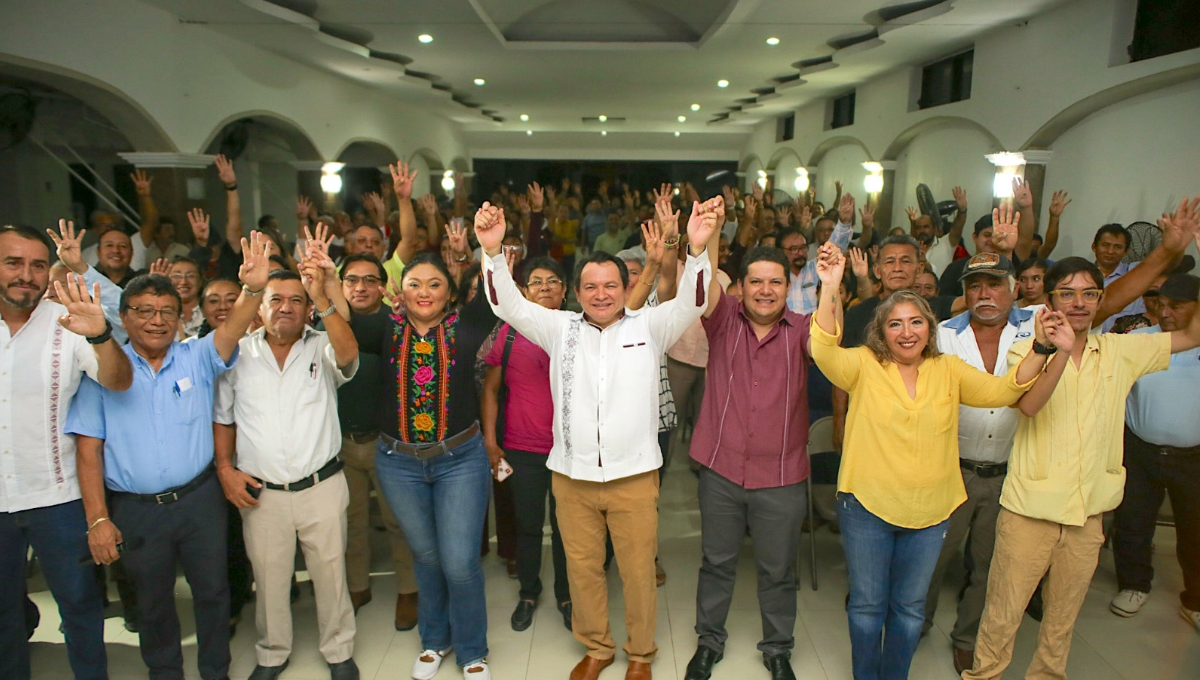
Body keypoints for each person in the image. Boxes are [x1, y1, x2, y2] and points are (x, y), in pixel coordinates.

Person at [476, 196, 719, 680]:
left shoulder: (650, 325)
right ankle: (597, 647)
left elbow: (692, 300)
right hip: (572, 477)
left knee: (635, 574)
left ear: (625, 287)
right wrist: (490, 249)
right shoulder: (557, 328)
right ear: (578, 292)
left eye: (611, 285)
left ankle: (642, 654)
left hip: (633, 476)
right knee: (583, 571)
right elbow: (506, 302)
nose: (602, 294)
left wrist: (697, 248)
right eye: (591, 286)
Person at [965, 196, 1200, 680]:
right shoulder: (1026, 345)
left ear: (1101, 299)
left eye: (1089, 294)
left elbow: (1191, 335)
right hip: (1030, 510)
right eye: (1066, 294)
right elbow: (1028, 405)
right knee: (1003, 614)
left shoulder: (1122, 350)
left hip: (1088, 512)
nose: (1078, 303)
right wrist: (1053, 351)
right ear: (1048, 300)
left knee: (1062, 621)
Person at [809, 235, 1062, 680]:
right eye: (895, 324)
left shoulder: (948, 369)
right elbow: (824, 350)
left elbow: (1004, 390)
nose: (906, 332)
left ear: (930, 327)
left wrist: (1041, 348)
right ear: (881, 331)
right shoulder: (865, 364)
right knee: (868, 608)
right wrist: (831, 286)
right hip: (866, 507)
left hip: (931, 513)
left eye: (916, 322)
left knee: (908, 611)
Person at [65, 226, 266, 680]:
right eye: (144, 311)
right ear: (124, 316)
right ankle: (165, 673)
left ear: (180, 317)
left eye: (167, 312)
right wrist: (98, 519)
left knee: (214, 593)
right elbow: (88, 452)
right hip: (137, 511)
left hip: (199, 501)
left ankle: (216, 670)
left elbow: (234, 326)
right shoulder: (103, 370)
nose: (156, 321)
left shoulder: (196, 356)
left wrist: (253, 288)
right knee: (152, 603)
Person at [213, 241, 361, 680]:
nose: (286, 308)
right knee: (270, 580)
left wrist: (323, 298)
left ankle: (338, 651)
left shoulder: (322, 347)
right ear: (259, 307)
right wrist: (224, 469)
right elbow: (223, 419)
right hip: (263, 492)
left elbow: (350, 355)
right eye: (276, 299)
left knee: (331, 575)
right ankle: (272, 654)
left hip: (322, 486)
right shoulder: (237, 355)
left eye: (297, 301)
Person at [0, 224, 133, 680]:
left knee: (80, 608)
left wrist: (99, 335)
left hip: (57, 500)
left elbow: (118, 380)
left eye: (37, 265)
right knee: (5, 619)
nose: (27, 275)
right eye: (13, 263)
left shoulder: (66, 323)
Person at [682, 239, 815, 680]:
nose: (765, 290)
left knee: (778, 570)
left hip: (781, 475)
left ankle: (777, 649)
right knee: (716, 562)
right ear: (739, 287)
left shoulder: (805, 331)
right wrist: (707, 238)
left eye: (775, 281)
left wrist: (831, 285)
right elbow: (703, 280)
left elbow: (832, 337)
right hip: (720, 469)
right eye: (755, 281)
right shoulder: (722, 321)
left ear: (788, 286)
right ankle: (708, 642)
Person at [372, 218, 497, 680]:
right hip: (397, 464)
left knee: (461, 562)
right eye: (414, 284)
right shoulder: (384, 329)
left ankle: (471, 649)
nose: (424, 292)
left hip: (460, 459)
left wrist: (478, 252)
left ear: (449, 291)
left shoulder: (468, 326)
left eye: (435, 284)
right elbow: (345, 317)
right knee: (425, 556)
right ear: (399, 291)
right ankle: (435, 639)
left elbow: (490, 294)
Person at [919, 252, 1039, 674]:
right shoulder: (943, 335)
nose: (984, 294)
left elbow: (1103, 301)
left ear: (1014, 288)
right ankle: (916, 624)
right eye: (975, 286)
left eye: (994, 284)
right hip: (952, 470)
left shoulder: (1036, 328)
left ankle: (968, 637)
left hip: (1009, 474)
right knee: (932, 558)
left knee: (989, 566)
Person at [481, 256, 572, 633]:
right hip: (522, 448)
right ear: (524, 291)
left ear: (566, 291)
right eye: (536, 281)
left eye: (553, 281)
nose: (545, 287)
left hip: (569, 451)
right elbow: (490, 388)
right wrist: (490, 440)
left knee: (568, 529)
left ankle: (568, 596)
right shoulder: (510, 332)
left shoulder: (578, 330)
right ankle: (528, 592)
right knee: (528, 526)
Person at [1110, 273, 1200, 629]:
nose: (1165, 313)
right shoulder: (1140, 341)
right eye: (1161, 304)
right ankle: (1133, 585)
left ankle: (1194, 599)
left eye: (1176, 307)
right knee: (1132, 521)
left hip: (1193, 456)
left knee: (1195, 529)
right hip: (1140, 449)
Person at [334, 253, 418, 631]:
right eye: (352, 280)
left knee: (397, 520)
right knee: (351, 522)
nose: (361, 287)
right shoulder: (324, 326)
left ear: (383, 288)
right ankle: (357, 587)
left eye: (370, 280)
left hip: (387, 443)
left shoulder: (395, 324)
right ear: (341, 286)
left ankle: (408, 590)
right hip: (340, 444)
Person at [781, 193, 855, 314]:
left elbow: (833, 249)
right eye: (794, 248)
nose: (800, 253)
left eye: (803, 247)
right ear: (781, 251)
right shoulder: (776, 275)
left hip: (815, 330)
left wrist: (843, 222)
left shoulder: (816, 268)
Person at [168, 256, 205, 338]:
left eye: (190, 276)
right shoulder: (161, 313)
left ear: (200, 281)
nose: (183, 281)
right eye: (177, 276)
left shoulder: (210, 312)